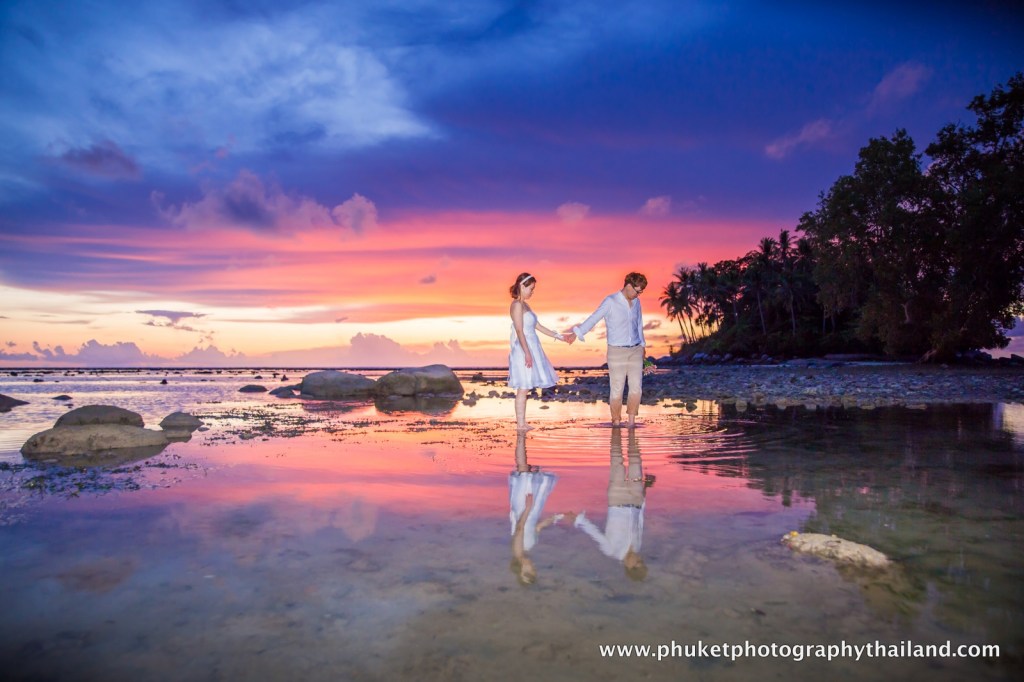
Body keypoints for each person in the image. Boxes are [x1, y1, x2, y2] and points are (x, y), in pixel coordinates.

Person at [568, 427, 654, 581]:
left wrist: (579, 520)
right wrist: (645, 490)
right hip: (636, 499)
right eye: (642, 561)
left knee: (616, 461)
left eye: (638, 563)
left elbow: (594, 532)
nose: (639, 558)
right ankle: (631, 430)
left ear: (629, 567)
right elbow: (639, 522)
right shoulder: (637, 546)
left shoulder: (611, 550)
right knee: (635, 460)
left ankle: (616, 427)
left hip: (617, 499)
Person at [570, 272, 648, 427]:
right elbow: (594, 318)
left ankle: (631, 423)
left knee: (636, 388)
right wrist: (576, 333)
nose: (638, 295)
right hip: (616, 351)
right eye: (637, 291)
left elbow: (639, 324)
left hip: (636, 350)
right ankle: (616, 422)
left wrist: (643, 346)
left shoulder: (637, 302)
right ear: (628, 285)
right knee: (617, 389)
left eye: (641, 292)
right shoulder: (610, 301)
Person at [508, 272, 573, 431]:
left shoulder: (526, 305)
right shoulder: (516, 305)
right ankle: (520, 424)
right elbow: (519, 330)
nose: (532, 292)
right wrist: (527, 353)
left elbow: (538, 326)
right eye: (531, 288)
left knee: (526, 387)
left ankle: (523, 423)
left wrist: (559, 336)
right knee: (523, 386)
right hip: (523, 348)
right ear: (522, 286)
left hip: (532, 346)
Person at [508, 431, 565, 585]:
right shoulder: (529, 548)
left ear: (520, 569)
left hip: (523, 510)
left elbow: (520, 528)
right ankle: (522, 437)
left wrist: (527, 508)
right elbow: (538, 527)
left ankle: (521, 436)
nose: (532, 567)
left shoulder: (518, 552)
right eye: (533, 570)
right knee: (528, 472)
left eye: (528, 571)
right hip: (532, 511)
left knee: (523, 470)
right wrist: (557, 517)